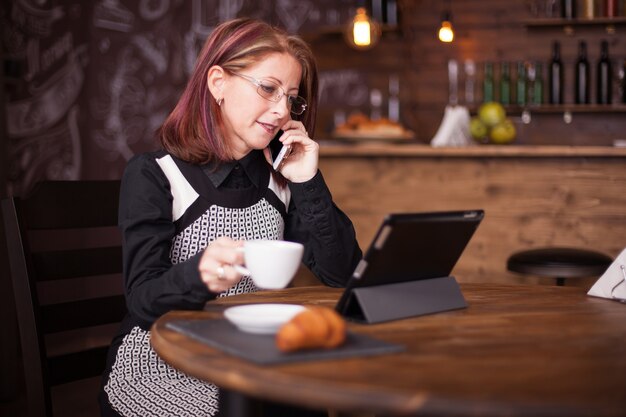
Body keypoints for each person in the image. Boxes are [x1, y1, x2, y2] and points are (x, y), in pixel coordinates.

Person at [99, 17, 362, 417]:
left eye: (291, 98)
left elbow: (342, 273)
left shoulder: (282, 178)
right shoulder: (156, 175)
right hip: (163, 364)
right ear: (218, 82)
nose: (281, 111)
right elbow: (142, 299)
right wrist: (198, 276)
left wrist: (308, 182)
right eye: (268, 88)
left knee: (310, 406)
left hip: (251, 360)